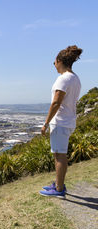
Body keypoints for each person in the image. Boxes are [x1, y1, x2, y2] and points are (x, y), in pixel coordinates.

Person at [39, 45, 82, 198]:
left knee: (59, 155)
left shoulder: (63, 79)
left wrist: (45, 123)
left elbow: (56, 103)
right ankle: (59, 184)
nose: (54, 66)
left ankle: (58, 189)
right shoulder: (75, 78)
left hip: (61, 122)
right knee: (60, 154)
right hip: (69, 121)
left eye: (54, 63)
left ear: (59, 61)